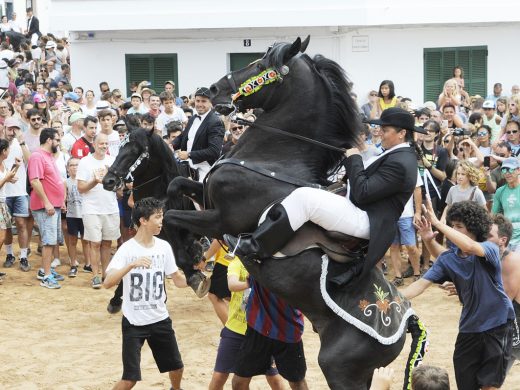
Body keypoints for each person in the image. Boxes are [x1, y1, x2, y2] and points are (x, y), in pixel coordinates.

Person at [225, 108, 426, 281]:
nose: (380, 133)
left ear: (402, 133)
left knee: (305, 198)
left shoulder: (401, 161)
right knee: (306, 189)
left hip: (366, 219)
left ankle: (255, 247)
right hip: (360, 208)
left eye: (385, 130)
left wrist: (354, 159)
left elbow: (363, 192)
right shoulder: (397, 154)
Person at [402, 200, 515, 390]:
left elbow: (470, 247)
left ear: (473, 229)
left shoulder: (489, 248)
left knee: (489, 386)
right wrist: (389, 297)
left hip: (498, 324)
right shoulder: (448, 259)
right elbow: (419, 285)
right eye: (452, 225)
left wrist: (439, 224)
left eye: (458, 227)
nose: (452, 231)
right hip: (469, 329)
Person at [103, 197, 187, 390]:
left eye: (162, 216)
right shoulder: (127, 249)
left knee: (177, 368)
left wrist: (194, 279)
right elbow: (108, 282)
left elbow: (177, 279)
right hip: (134, 322)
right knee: (129, 379)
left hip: (160, 318)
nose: (161, 221)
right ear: (143, 220)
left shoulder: (164, 247)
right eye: (157, 217)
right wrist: (131, 265)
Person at [208, 257, 285, 390]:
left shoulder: (269, 264)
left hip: (262, 332)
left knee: (274, 378)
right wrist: (252, 282)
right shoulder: (236, 263)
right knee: (219, 376)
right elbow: (232, 285)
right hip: (235, 330)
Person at [77, 133, 120, 289]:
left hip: (110, 208)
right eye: (101, 143)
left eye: (106, 143)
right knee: (95, 243)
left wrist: (113, 182)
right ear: (94, 144)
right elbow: (81, 188)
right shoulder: (84, 162)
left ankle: (105, 274)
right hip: (91, 209)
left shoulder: (113, 161)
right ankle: (95, 275)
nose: (104, 146)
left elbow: (119, 189)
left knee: (108, 243)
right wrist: (95, 181)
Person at [28, 128, 66, 289]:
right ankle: (46, 276)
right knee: (49, 241)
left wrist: (60, 201)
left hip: (53, 205)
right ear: (49, 140)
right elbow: (35, 181)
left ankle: (46, 270)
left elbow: (54, 180)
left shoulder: (48, 156)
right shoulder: (37, 156)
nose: (59, 143)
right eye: (57, 139)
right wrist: (48, 202)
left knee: (52, 240)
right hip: (46, 207)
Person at [172, 87, 225, 182]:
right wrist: (172, 145)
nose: (200, 104)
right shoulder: (192, 119)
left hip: (205, 168)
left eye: (203, 101)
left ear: (210, 103)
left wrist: (189, 154)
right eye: (198, 101)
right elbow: (183, 136)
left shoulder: (216, 122)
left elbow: (214, 151)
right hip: (187, 165)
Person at [3, 117, 31, 272]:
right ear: (4, 128)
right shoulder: (1, 144)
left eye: (15, 129)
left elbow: (30, 161)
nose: (12, 132)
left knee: (21, 224)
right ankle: (9, 254)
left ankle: (24, 256)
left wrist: (21, 141)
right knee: (6, 227)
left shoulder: (21, 143)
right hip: (4, 192)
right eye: (9, 129)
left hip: (20, 191)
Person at [64, 157, 91, 278]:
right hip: (72, 215)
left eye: (77, 165)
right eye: (72, 165)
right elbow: (63, 197)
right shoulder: (66, 182)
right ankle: (73, 264)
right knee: (73, 240)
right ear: (68, 168)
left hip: (84, 214)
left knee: (86, 240)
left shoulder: (85, 181)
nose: (75, 167)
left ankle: (88, 263)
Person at [492, 157, 520, 252]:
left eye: (510, 169)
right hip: (507, 236)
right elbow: (494, 216)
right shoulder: (500, 191)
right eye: (504, 169)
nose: (507, 173)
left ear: (518, 170)